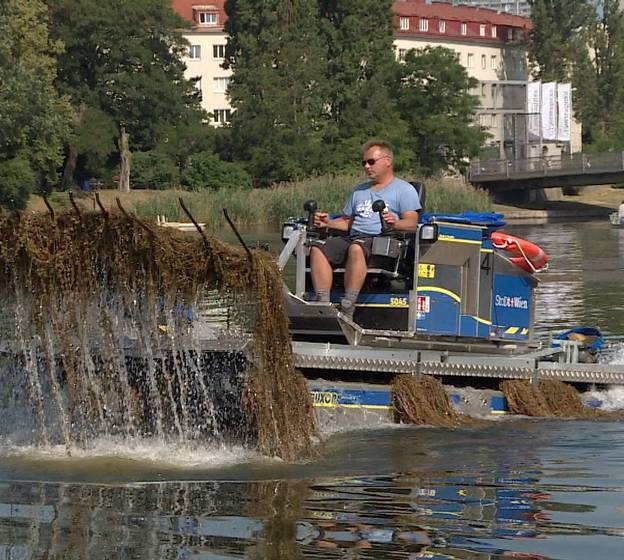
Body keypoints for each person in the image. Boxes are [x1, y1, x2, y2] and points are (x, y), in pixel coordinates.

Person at [310, 140, 421, 317]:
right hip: (354, 237)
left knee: (356, 248)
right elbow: (347, 223)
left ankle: (348, 304)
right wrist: (328, 223)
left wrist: (395, 223)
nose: (367, 167)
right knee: (317, 247)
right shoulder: (358, 191)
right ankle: (323, 303)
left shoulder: (404, 190)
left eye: (371, 162)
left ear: (387, 161)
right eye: (364, 163)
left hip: (382, 241)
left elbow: (412, 224)